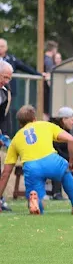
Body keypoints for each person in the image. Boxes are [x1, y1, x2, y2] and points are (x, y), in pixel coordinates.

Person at [0, 105, 73, 215]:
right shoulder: (46, 125)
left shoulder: (16, 139)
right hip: (51, 161)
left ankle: (35, 201)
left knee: (37, 202)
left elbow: (6, 173)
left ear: (20, 123)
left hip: (32, 168)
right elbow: (71, 140)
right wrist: (71, 162)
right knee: (66, 172)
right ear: (34, 118)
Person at [50, 107, 73, 200]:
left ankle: (72, 191)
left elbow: (66, 151)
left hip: (55, 158)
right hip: (46, 158)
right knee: (58, 162)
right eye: (72, 120)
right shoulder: (54, 130)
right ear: (64, 119)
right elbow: (56, 152)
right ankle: (56, 193)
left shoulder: (66, 130)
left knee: (71, 163)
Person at [0, 61, 13, 211]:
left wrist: (5, 134)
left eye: (9, 78)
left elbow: (4, 116)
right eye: (5, 77)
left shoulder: (5, 92)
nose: (7, 81)